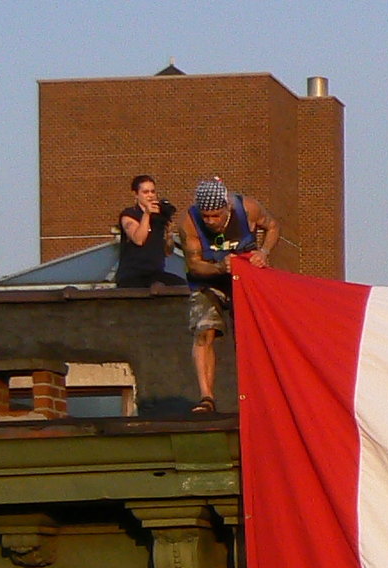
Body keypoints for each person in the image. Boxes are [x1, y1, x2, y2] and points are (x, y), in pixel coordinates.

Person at [170, 178, 278, 415]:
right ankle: (206, 397)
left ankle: (259, 395)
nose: (210, 221)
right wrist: (220, 268)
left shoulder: (247, 208)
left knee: (251, 336)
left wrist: (264, 252)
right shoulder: (189, 222)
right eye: (206, 216)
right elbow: (194, 265)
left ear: (227, 208)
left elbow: (272, 226)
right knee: (204, 329)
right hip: (209, 279)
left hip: (246, 281)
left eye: (216, 216)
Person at [113, 174, 176, 289]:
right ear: (136, 194)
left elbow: (168, 252)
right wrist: (147, 214)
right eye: (146, 192)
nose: (150, 196)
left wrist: (169, 235)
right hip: (132, 276)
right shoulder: (129, 215)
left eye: (153, 192)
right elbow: (138, 239)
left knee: (181, 286)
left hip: (155, 273)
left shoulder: (158, 218)